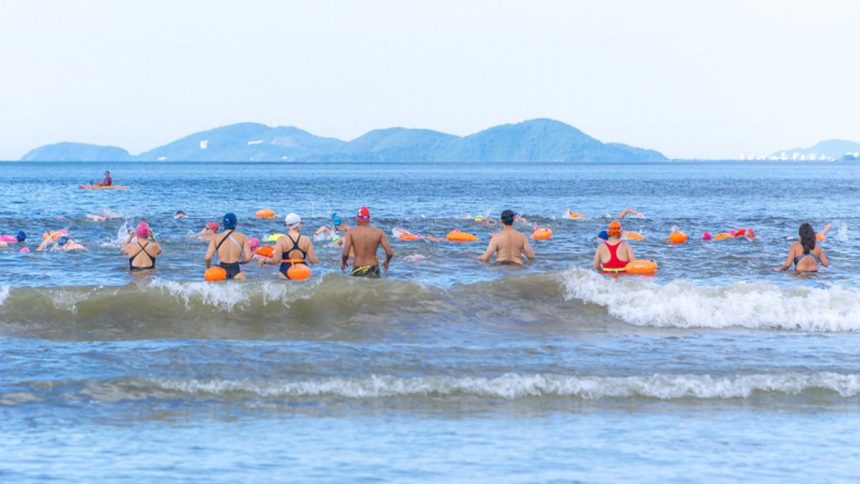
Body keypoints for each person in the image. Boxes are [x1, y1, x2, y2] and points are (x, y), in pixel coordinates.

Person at [260, 213, 318, 279]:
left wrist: (265, 261)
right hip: (302, 270)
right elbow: (313, 261)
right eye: (301, 223)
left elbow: (276, 261)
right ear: (297, 225)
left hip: (285, 269)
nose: (301, 225)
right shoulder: (306, 239)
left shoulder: (281, 240)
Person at [341, 206, 393, 277]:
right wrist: (387, 262)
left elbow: (345, 254)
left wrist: (344, 262)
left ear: (357, 218)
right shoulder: (379, 232)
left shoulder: (351, 232)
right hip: (374, 268)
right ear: (368, 218)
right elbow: (389, 253)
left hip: (358, 268)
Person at [205, 213, 252, 280]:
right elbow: (248, 258)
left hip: (220, 269)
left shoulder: (215, 237)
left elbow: (207, 257)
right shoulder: (243, 237)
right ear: (235, 223)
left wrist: (207, 268)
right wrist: (240, 262)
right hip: (236, 268)